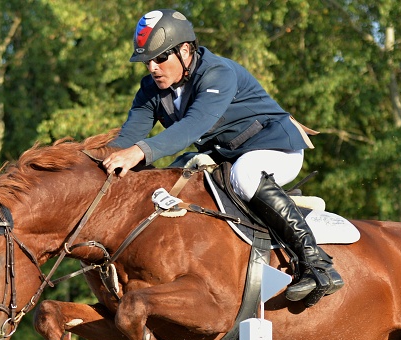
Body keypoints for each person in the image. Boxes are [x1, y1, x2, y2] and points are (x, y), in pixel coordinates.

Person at [102, 9, 343, 306]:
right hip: (227, 156)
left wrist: (141, 151)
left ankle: (317, 264)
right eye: (147, 61)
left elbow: (193, 126)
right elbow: (126, 140)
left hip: (275, 148)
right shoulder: (150, 89)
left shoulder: (218, 73)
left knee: (245, 173)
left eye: (160, 58)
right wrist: (94, 165)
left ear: (186, 49)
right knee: (168, 180)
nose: (152, 67)